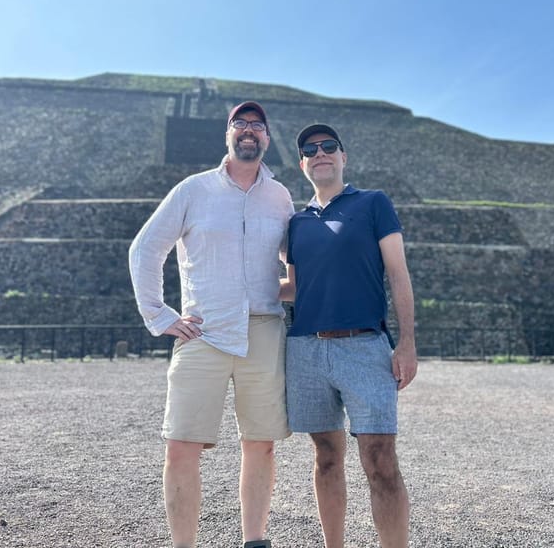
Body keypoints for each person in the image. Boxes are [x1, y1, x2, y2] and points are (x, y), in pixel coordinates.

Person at [128, 101, 294, 548]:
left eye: (257, 126)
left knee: (260, 443)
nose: (248, 132)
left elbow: (293, 260)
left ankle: (255, 540)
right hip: (204, 331)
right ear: (227, 134)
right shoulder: (193, 190)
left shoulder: (280, 197)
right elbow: (145, 248)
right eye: (240, 124)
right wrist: (160, 316)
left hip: (263, 329)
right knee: (181, 443)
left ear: (267, 137)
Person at [279, 123, 418, 548]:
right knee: (324, 458)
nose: (320, 153)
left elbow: (397, 273)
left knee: (380, 460)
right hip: (306, 347)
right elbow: (294, 287)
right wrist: (233, 287)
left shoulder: (373, 204)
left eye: (328, 147)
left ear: (343, 157)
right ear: (303, 164)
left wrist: (407, 341)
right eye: (310, 150)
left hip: (363, 346)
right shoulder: (297, 223)